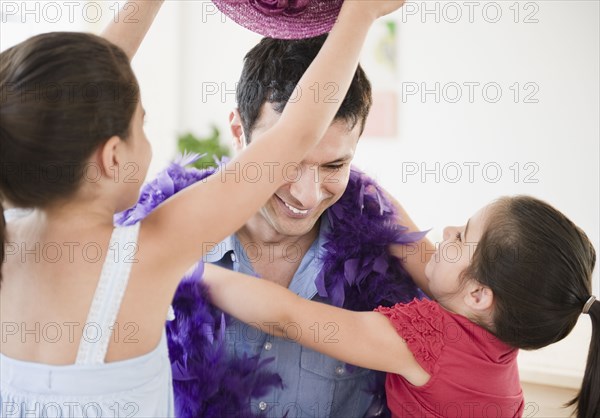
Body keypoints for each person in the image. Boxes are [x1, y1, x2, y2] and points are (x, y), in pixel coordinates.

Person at [0, 0, 405, 415]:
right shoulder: (146, 256)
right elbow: (296, 132)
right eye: (142, 123)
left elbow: (68, 99)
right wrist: (361, 12)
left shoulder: (9, 241)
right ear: (113, 156)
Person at [117, 14, 433, 418]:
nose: (308, 193)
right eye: (286, 158)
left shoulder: (391, 259)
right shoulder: (153, 238)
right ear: (238, 131)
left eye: (334, 166)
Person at [201, 195, 599, 418]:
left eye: (461, 238)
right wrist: (347, 178)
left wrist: (188, 271)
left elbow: (289, 318)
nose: (445, 232)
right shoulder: (497, 331)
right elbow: (411, 244)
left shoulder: (430, 341)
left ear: (479, 295)